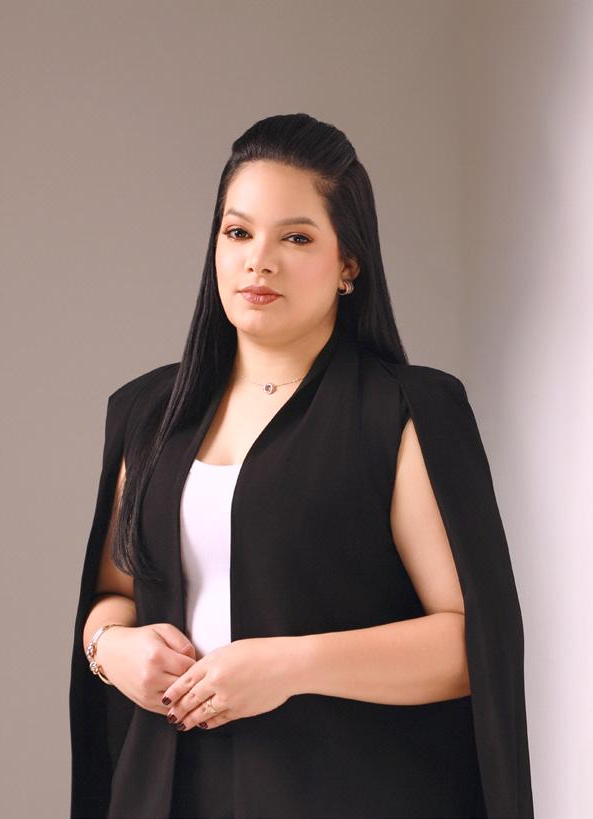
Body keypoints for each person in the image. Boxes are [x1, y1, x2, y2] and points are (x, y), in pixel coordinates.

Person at [69, 112, 534, 819]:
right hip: (167, 790)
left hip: (350, 789)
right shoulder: (150, 412)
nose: (259, 260)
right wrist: (112, 647)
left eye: (295, 237)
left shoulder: (403, 412)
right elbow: (114, 592)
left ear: (349, 263)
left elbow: (471, 641)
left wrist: (290, 665)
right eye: (238, 232)